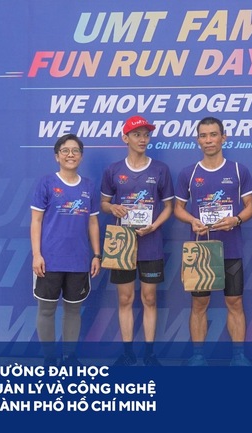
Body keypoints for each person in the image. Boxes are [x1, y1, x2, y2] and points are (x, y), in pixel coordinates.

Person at [174, 116, 252, 366]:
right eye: (203, 135)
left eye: (213, 134)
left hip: (231, 249)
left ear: (223, 137)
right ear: (197, 140)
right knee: (199, 303)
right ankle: (198, 357)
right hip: (201, 251)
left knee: (235, 302)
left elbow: (250, 207)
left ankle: (239, 357)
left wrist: (236, 220)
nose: (208, 140)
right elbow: (178, 208)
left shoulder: (239, 170)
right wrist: (192, 220)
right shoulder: (189, 173)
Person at [101, 115, 174, 367]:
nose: (143, 139)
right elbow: (104, 203)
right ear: (125, 138)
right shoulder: (113, 170)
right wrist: (113, 208)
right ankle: (128, 352)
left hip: (150, 242)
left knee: (149, 298)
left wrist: (155, 225)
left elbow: (169, 206)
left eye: (146, 135)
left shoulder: (160, 169)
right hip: (122, 244)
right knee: (125, 299)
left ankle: (149, 353)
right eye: (137, 135)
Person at [31, 133, 101, 367]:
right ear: (57, 156)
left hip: (78, 261)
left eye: (75, 151)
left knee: (73, 311)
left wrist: (97, 254)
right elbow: (36, 221)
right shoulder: (47, 183)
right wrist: (37, 255)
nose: (70, 155)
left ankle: (70, 357)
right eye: (65, 151)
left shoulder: (89, 186)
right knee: (46, 310)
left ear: (81, 156)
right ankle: (49, 359)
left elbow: (93, 223)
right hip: (49, 260)